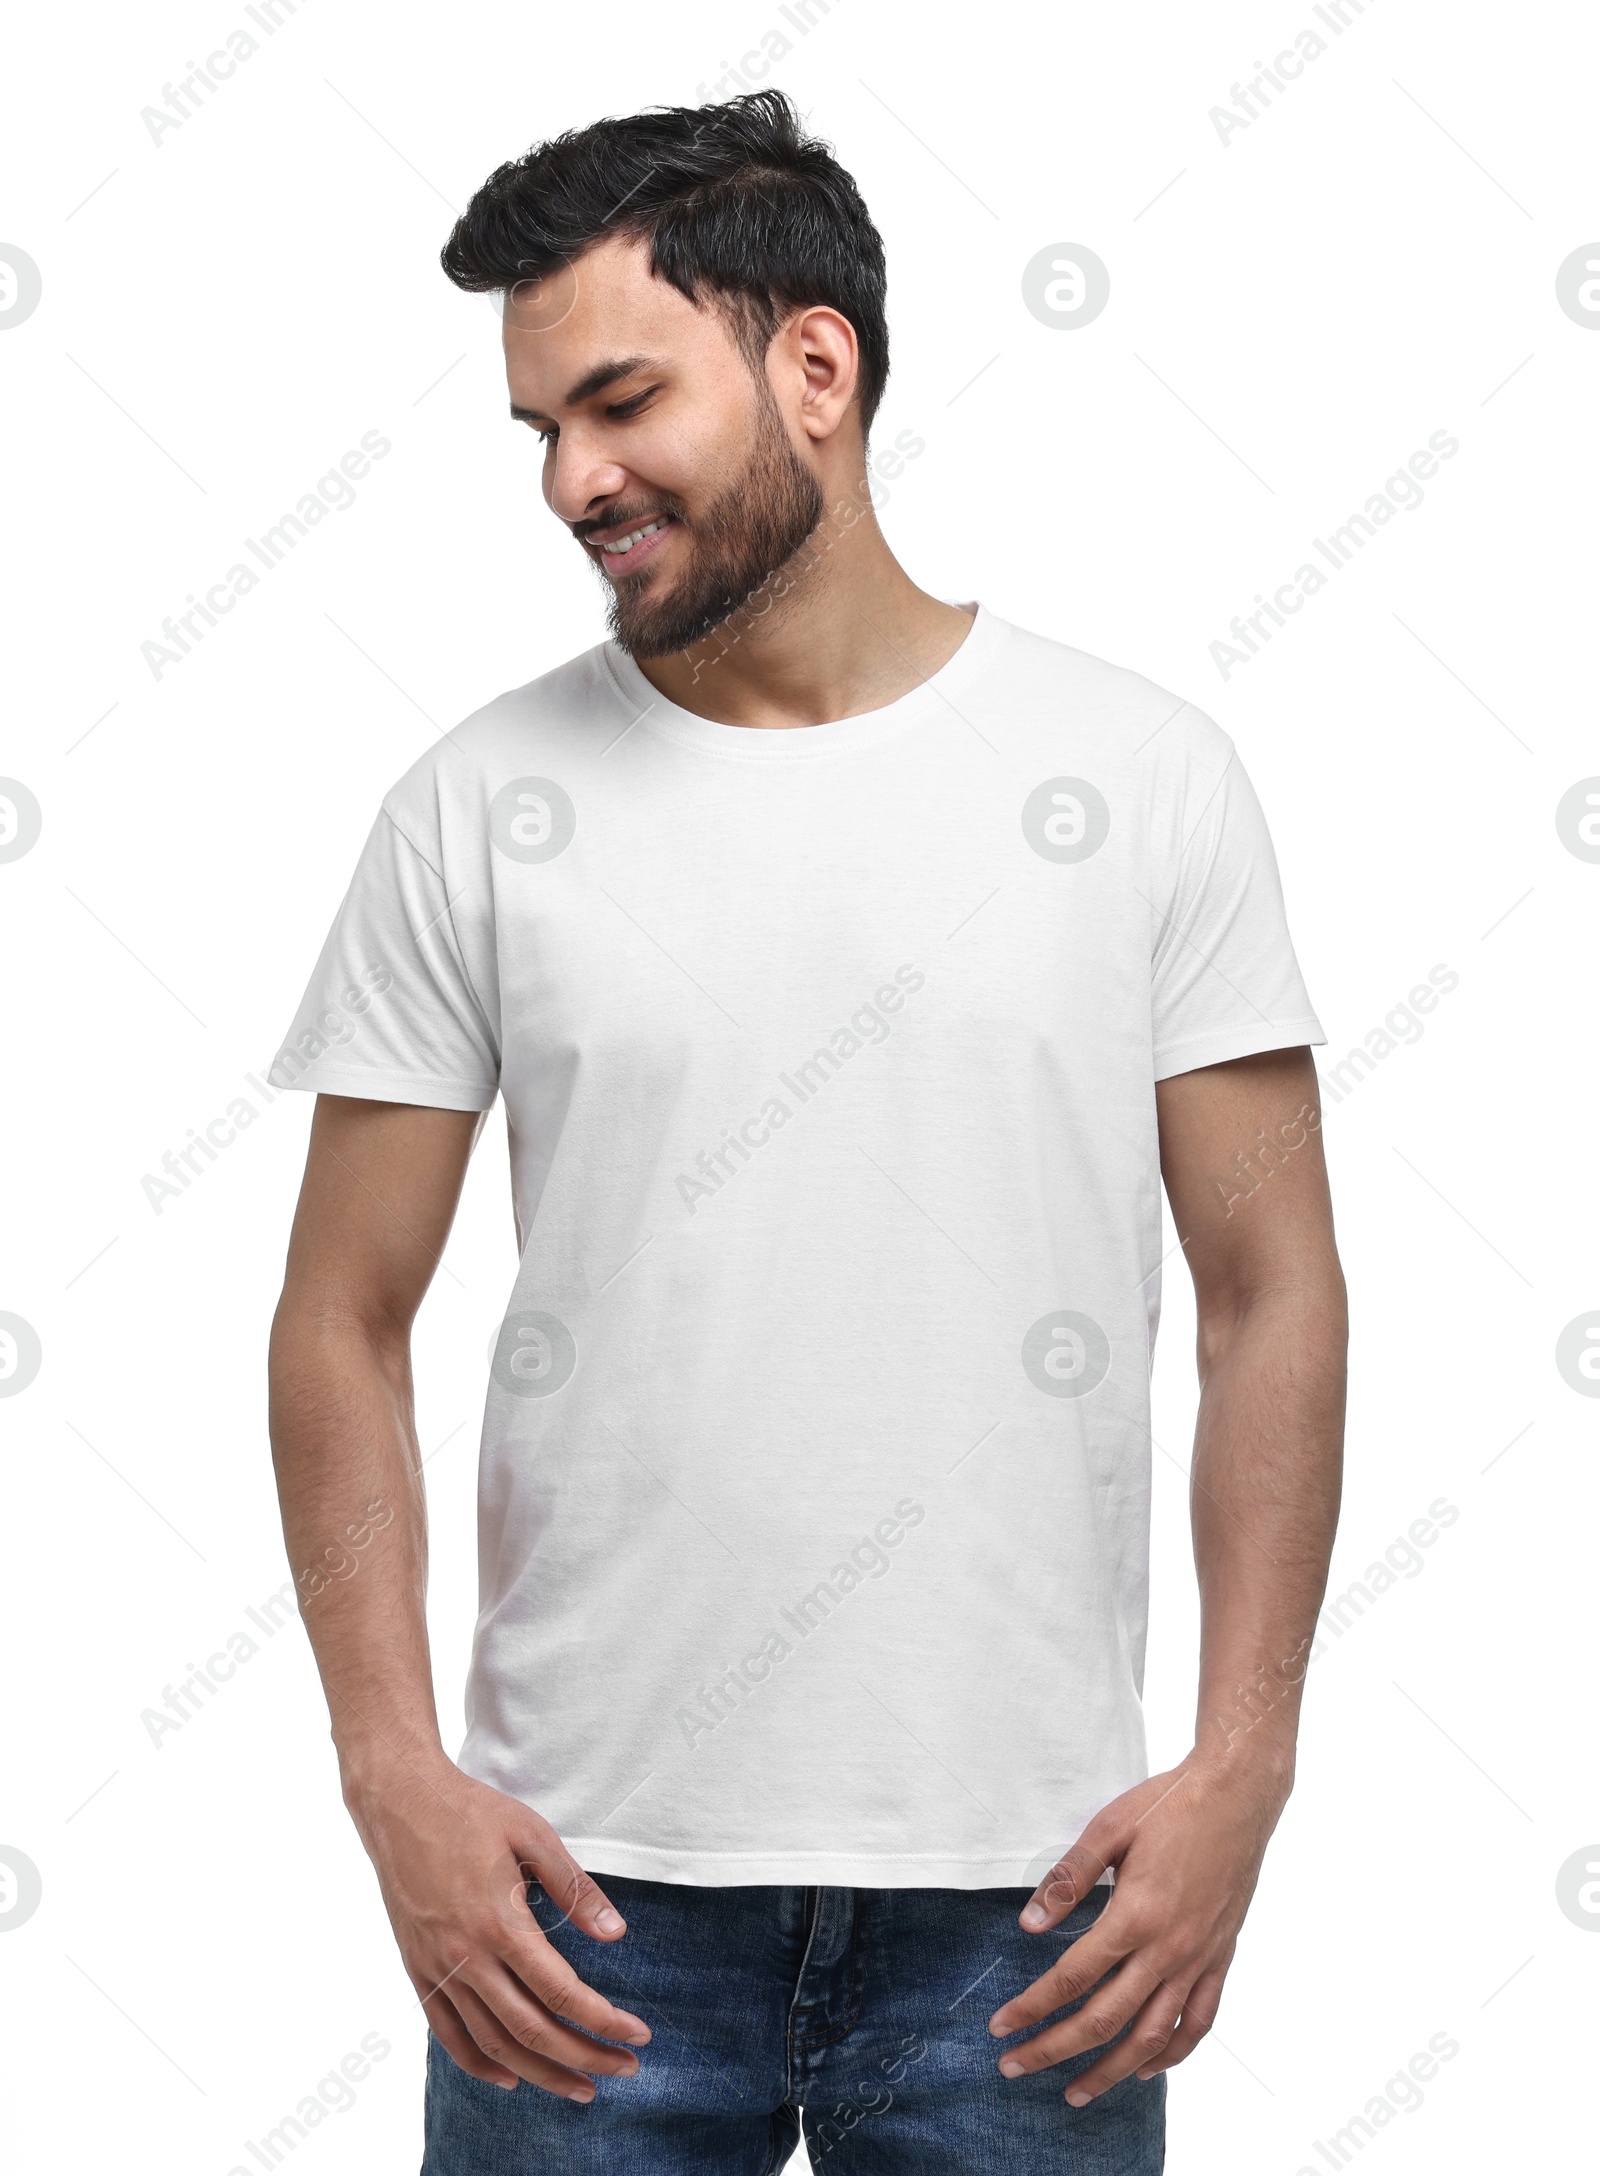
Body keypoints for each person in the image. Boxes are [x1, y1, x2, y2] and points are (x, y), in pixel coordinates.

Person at [267, 88, 1346, 2175]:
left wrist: (1244, 1763)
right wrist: (386, 1768)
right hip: (569, 1911)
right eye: (538, 434)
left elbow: (1269, 1287)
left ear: (814, 368)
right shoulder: (474, 807)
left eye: (615, 402)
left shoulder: (1140, 779)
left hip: (1034, 1912)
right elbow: (337, 1313)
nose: (573, 479)